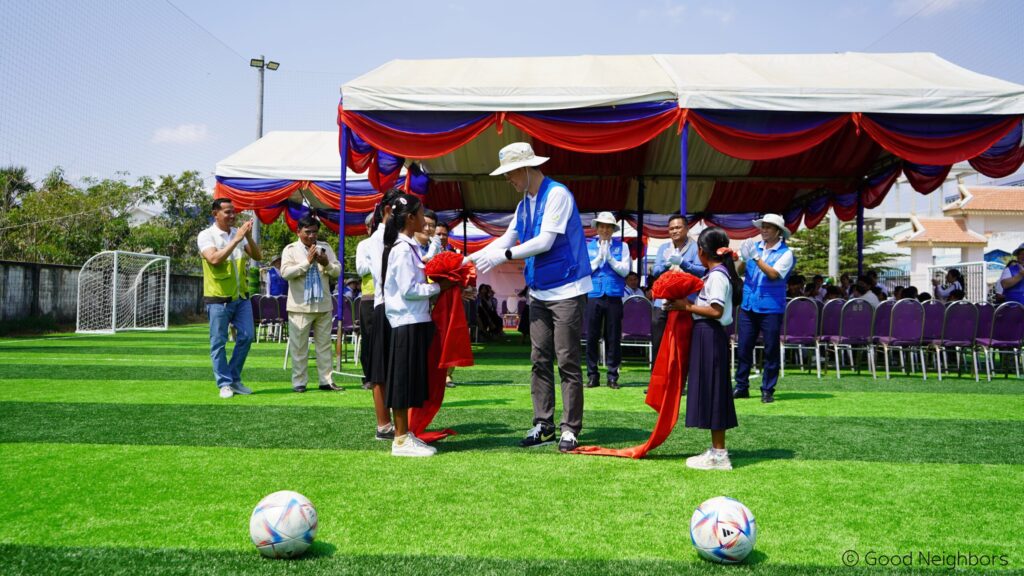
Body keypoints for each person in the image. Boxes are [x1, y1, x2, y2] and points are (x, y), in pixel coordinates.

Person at [469, 142, 591, 453]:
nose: (508, 180)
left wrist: (503, 256)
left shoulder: (558, 195)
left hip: (567, 289)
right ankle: (544, 424)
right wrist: (467, 259)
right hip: (539, 291)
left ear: (525, 168)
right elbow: (508, 236)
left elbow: (545, 241)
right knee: (539, 359)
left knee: (566, 360)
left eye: (510, 173)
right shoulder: (524, 203)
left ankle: (570, 429)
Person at [381, 194, 456, 457]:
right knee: (401, 380)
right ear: (410, 218)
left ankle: (406, 434)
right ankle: (400, 439)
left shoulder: (409, 246)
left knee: (410, 379)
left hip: (415, 320)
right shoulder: (402, 250)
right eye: (421, 213)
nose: (426, 220)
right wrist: (439, 286)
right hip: (406, 321)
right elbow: (409, 289)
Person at [663, 226, 741, 470]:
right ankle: (716, 450)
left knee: (715, 391)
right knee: (711, 389)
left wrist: (685, 308)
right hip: (706, 334)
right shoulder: (715, 272)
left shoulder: (717, 275)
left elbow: (716, 311)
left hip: (710, 333)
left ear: (702, 251)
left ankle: (719, 454)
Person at [197, 198, 262, 399]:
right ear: (215, 213)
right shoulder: (206, 235)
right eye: (227, 212)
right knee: (218, 343)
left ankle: (233, 379)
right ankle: (224, 383)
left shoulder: (239, 234)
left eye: (234, 212)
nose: (232, 215)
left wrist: (248, 237)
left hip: (241, 297)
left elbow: (258, 256)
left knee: (247, 336)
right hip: (218, 298)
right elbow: (214, 259)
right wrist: (236, 240)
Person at [734, 213, 795, 404]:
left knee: (770, 351)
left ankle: (767, 389)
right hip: (749, 305)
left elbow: (773, 274)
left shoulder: (786, 253)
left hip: (771, 308)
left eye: (768, 227)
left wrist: (756, 257)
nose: (764, 230)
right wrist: (744, 258)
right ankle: (741, 386)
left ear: (778, 232)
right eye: (763, 227)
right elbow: (739, 271)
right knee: (743, 348)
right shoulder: (756, 248)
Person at [279, 215, 343, 393]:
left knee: (324, 346)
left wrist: (327, 264)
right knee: (299, 346)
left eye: (315, 232)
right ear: (298, 231)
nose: (312, 236)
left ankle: (326, 381)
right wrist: (306, 262)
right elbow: (285, 273)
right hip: (300, 306)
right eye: (308, 232)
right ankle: (299, 382)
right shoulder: (290, 250)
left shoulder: (326, 248)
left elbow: (337, 271)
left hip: (323, 304)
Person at [362, 188, 405, 440]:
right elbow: (382, 275)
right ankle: (384, 424)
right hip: (385, 305)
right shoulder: (377, 240)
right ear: (388, 211)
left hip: (398, 307)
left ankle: (395, 424)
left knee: (394, 366)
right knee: (381, 368)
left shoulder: (397, 237)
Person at [585, 211, 631, 389]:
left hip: (613, 295)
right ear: (597, 228)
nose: (604, 229)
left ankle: (612, 376)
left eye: (608, 227)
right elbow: (585, 271)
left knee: (613, 337)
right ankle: (592, 375)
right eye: (601, 226)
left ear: (613, 229)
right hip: (593, 295)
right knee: (591, 337)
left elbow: (625, 271)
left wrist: (610, 258)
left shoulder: (623, 247)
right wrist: (598, 259)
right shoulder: (588, 247)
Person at [651, 214, 706, 360]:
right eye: (671, 229)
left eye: (678, 227)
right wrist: (666, 264)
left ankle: (681, 377)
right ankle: (657, 378)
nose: (674, 231)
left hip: (685, 303)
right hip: (661, 302)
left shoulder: (696, 248)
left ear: (687, 228)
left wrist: (683, 263)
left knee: (682, 344)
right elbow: (655, 271)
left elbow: (702, 271)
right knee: (658, 342)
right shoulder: (664, 248)